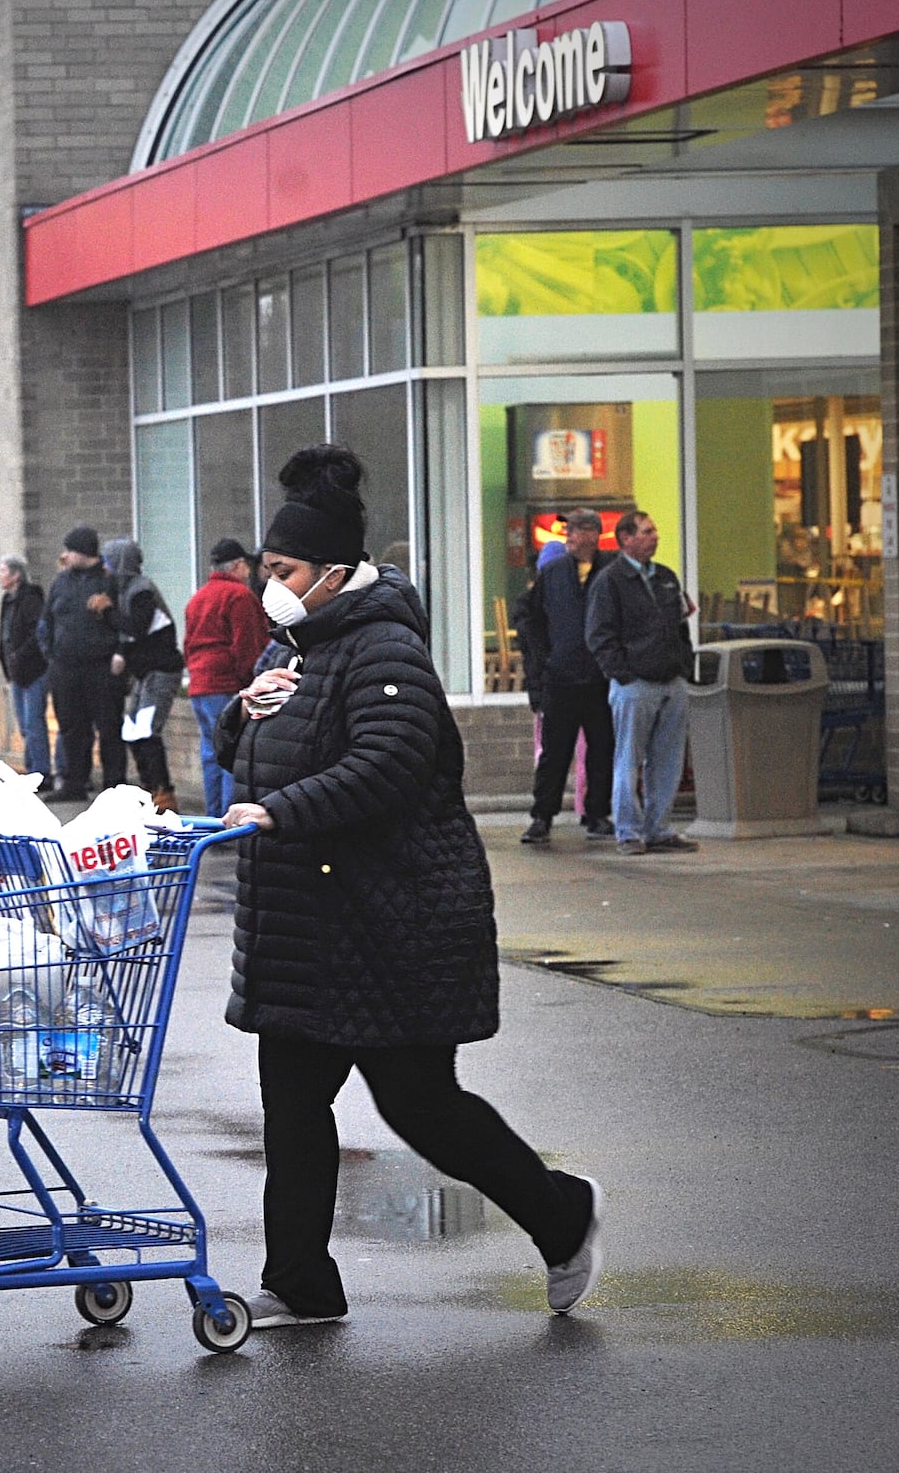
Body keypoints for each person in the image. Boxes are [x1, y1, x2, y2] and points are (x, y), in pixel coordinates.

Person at [215, 443, 603, 1330]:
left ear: (334, 572)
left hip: (392, 925)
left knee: (421, 1105)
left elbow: (386, 766)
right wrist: (245, 711)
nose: (267, 585)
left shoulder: (384, 648)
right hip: (310, 927)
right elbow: (256, 756)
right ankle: (301, 1284)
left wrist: (277, 814)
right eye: (265, 570)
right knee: (293, 1106)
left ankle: (561, 1212)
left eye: (283, 570)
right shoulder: (299, 646)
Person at [585, 510, 698, 856]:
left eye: (654, 530)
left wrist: (684, 667)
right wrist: (623, 674)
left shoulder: (665, 577)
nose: (655, 537)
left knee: (668, 759)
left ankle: (659, 829)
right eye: (647, 532)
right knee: (628, 759)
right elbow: (598, 635)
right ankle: (629, 831)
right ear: (626, 539)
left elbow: (680, 625)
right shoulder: (610, 581)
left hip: (671, 680)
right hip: (635, 684)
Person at [514, 509, 616, 845]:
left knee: (601, 748)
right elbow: (528, 617)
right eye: (568, 530)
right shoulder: (554, 573)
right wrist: (542, 662)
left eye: (576, 530)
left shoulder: (611, 570)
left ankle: (597, 814)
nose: (569, 535)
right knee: (555, 751)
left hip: (601, 679)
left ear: (593, 534)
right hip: (561, 677)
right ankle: (542, 816)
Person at [183, 537, 271, 818]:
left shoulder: (198, 597)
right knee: (233, 754)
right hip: (226, 685)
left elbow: (188, 643)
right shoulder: (239, 596)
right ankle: (229, 820)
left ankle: (213, 818)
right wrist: (253, 680)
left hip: (200, 685)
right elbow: (248, 646)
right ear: (238, 565)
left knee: (211, 753)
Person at [38, 525, 124, 803]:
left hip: (100, 667)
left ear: (83, 552)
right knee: (72, 727)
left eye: (69, 550)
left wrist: (118, 652)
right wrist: (50, 653)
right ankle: (74, 781)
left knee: (108, 727)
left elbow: (122, 622)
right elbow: (47, 621)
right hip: (65, 666)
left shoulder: (109, 581)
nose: (64, 555)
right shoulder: (61, 582)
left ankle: (114, 785)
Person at [103, 537, 182, 813]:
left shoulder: (141, 591)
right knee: (132, 731)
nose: (106, 568)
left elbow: (137, 627)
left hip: (161, 669)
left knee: (147, 730)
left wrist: (108, 612)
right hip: (145, 671)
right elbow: (130, 634)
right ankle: (149, 787)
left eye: (110, 562)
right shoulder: (123, 592)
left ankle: (163, 793)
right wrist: (122, 653)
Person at [0, 555, 50, 779]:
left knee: (34, 723)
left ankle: (41, 772)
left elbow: (36, 633)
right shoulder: (7, 601)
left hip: (33, 669)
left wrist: (20, 654)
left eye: (3, 571)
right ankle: (31, 767)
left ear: (16, 575)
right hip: (16, 670)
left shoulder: (30, 600)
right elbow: (4, 634)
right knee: (25, 726)